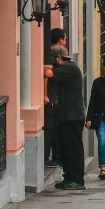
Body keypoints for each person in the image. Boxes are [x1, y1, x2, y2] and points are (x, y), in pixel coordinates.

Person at [47, 45, 86, 191]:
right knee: (65, 148)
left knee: (73, 148)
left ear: (58, 58)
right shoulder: (66, 69)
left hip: (73, 116)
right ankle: (69, 177)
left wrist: (44, 66)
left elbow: (48, 73)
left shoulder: (70, 68)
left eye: (53, 59)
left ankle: (77, 179)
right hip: (65, 116)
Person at [44, 27, 69, 167]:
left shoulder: (46, 53)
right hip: (52, 95)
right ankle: (55, 156)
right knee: (53, 126)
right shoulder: (57, 54)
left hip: (51, 94)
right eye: (65, 39)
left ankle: (53, 155)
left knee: (52, 126)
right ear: (61, 40)